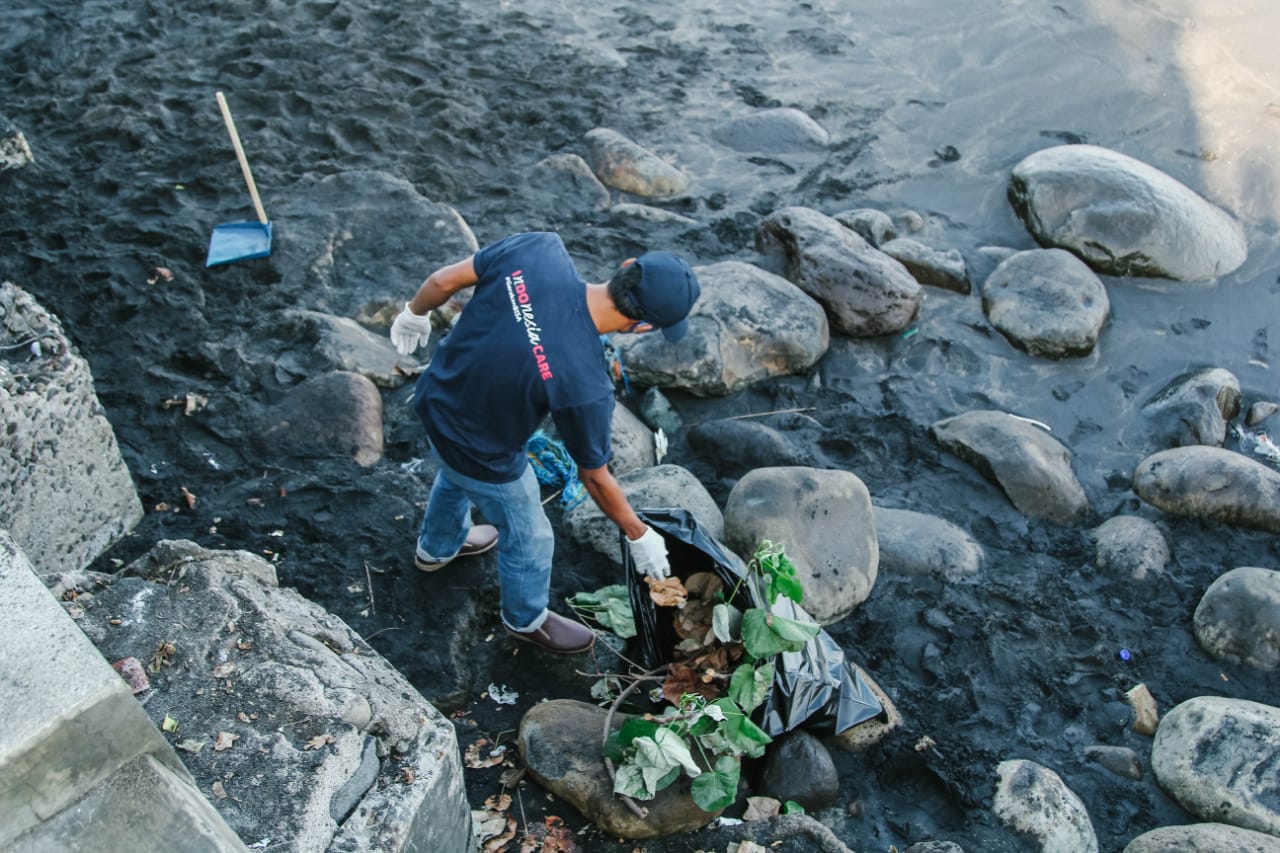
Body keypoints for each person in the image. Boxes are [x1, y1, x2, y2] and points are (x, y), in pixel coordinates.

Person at [389, 231, 701, 654]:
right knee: (532, 536)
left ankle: (437, 547)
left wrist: (414, 313)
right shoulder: (586, 384)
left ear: (627, 265)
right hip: (485, 451)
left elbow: (444, 282)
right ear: (642, 326)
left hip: (436, 399)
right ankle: (525, 618)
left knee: (454, 471)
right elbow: (593, 476)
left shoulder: (539, 249)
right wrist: (636, 533)